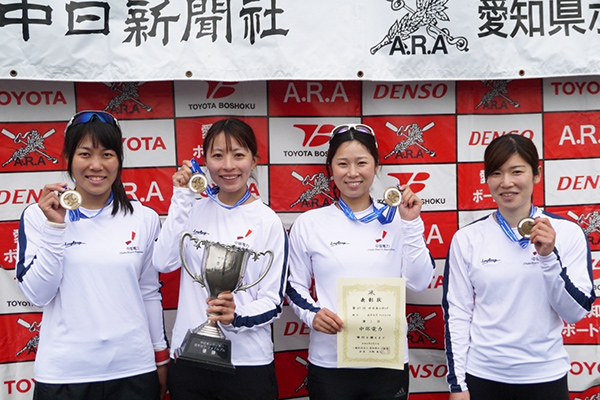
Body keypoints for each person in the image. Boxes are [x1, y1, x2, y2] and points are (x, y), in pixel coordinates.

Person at [16, 111, 169, 400]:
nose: (96, 166)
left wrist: (160, 357)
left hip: (134, 370)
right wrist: (54, 227)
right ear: (69, 158)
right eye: (85, 154)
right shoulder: (39, 215)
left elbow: (149, 292)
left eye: (107, 154)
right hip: (65, 374)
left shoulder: (144, 217)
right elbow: (38, 294)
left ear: (119, 159)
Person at [285, 123, 435, 400]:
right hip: (331, 361)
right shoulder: (309, 224)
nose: (352, 173)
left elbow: (420, 281)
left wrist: (411, 225)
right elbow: (294, 286)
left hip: (387, 361)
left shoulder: (399, 219)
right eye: (343, 163)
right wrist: (312, 314)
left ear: (376, 166)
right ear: (330, 168)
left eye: (362, 162)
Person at [442, 134, 596, 400]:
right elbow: (456, 314)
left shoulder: (567, 232)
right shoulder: (466, 238)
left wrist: (549, 258)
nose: (506, 183)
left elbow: (575, 313)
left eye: (517, 171)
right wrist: (458, 385)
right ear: (486, 178)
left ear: (537, 174)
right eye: (497, 173)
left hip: (545, 377)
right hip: (484, 377)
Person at [153, 117, 288, 400]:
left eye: (238, 155)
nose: (228, 166)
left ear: (254, 162)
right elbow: (163, 263)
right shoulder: (192, 208)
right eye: (217, 155)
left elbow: (273, 301)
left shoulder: (268, 221)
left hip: (247, 363)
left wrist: (236, 315)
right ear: (205, 162)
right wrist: (181, 196)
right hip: (190, 358)